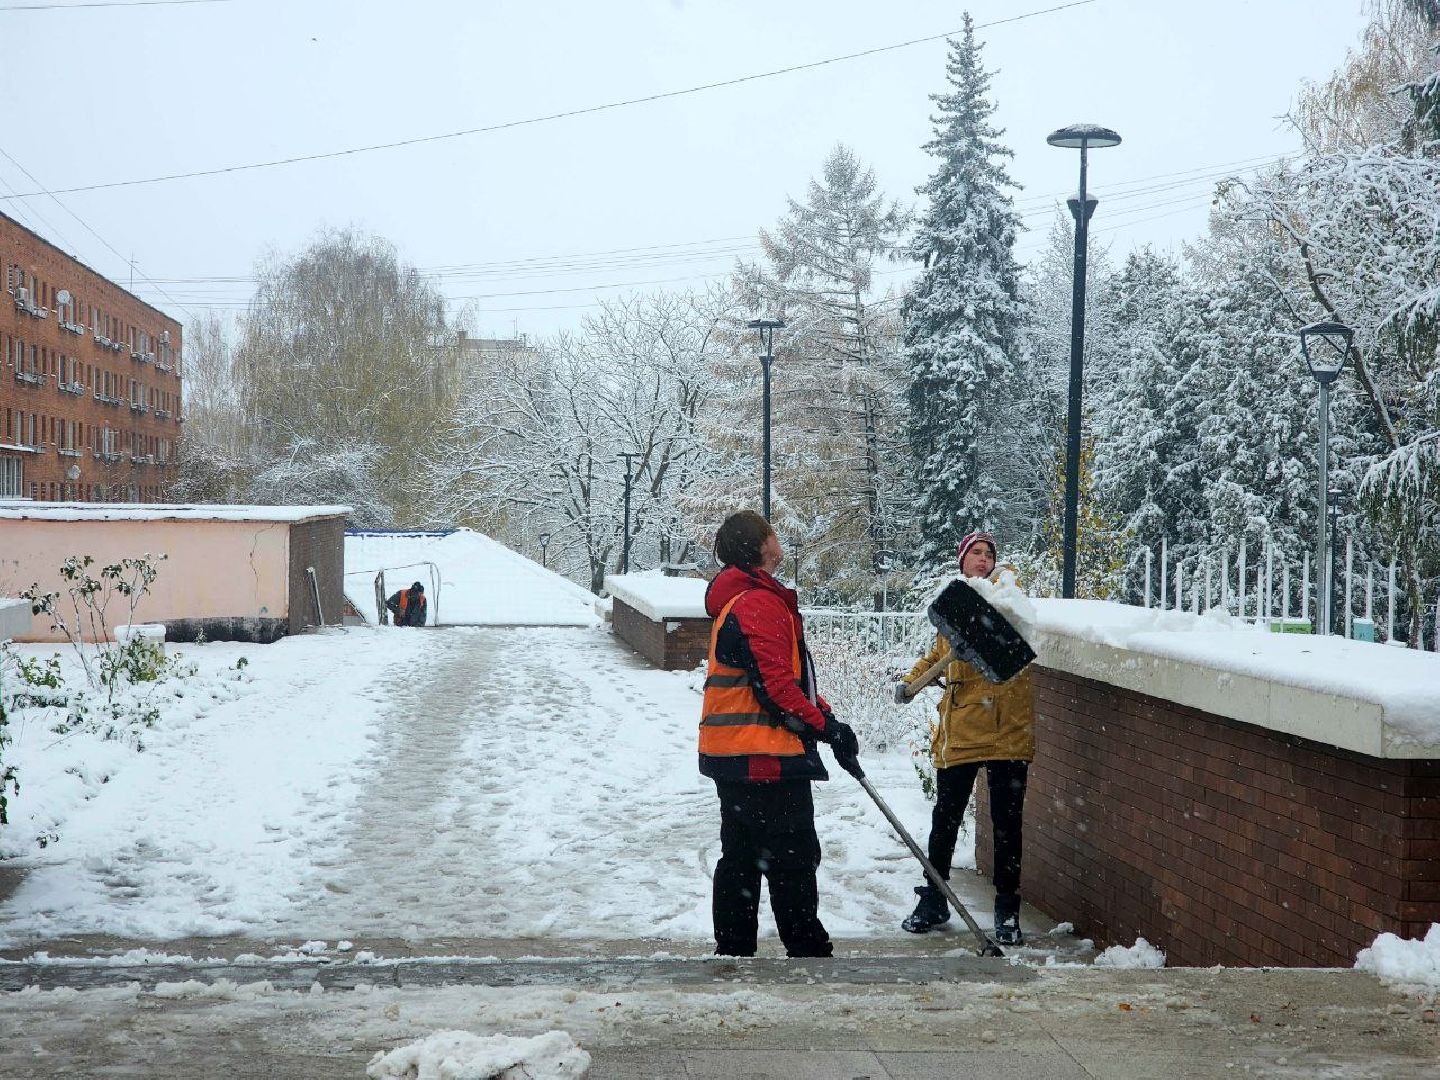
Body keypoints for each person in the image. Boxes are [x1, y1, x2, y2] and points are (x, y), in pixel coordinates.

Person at [699, 510, 860, 958]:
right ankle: (805, 948)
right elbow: (775, 688)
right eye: (772, 532)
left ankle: (734, 952)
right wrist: (826, 728)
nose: (778, 537)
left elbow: (788, 682)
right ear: (759, 546)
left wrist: (827, 718)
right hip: (762, 755)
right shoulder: (757, 602)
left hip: (736, 753)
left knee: (743, 855)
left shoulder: (746, 599)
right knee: (792, 857)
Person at [896, 530, 1034, 945]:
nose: (983, 558)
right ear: (962, 560)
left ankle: (1007, 912)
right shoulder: (958, 605)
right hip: (960, 732)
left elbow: (1015, 646)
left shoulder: (1006, 605)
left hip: (1006, 730)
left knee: (1007, 825)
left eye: (989, 553)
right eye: (975, 552)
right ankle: (934, 899)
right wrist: (911, 682)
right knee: (946, 819)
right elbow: (940, 654)